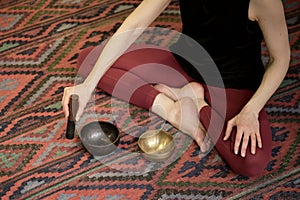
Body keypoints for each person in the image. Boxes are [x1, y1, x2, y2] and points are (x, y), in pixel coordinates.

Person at [62, 0, 290, 177]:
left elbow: (280, 60)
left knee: (251, 163)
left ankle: (197, 103)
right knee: (90, 61)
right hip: (182, 67)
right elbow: (134, 24)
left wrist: (251, 110)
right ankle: (171, 107)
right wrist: (87, 86)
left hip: (232, 85)